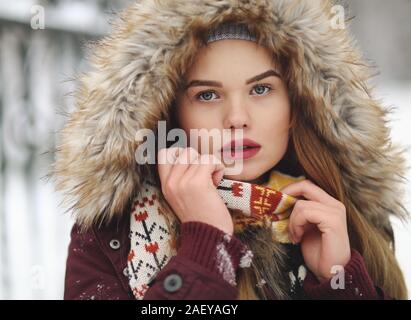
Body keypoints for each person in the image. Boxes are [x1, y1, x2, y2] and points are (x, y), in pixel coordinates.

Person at [52, 0, 408, 300]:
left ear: (298, 101)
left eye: (261, 89)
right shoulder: (112, 233)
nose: (237, 118)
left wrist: (338, 282)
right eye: (207, 95)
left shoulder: (346, 218)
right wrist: (206, 248)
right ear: (169, 112)